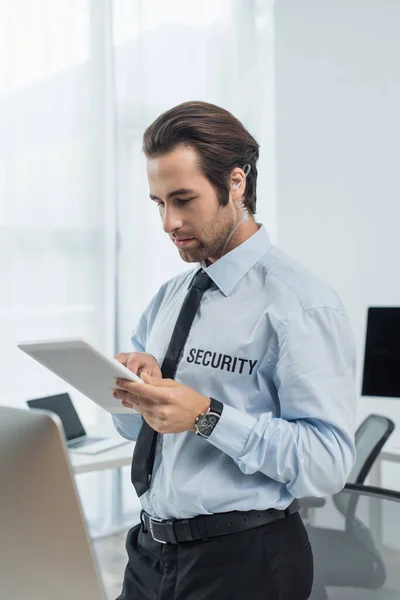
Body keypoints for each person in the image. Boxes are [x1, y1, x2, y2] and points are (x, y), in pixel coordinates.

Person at [111, 101, 357, 600]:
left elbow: (328, 463)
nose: (168, 222)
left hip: (245, 561)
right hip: (150, 553)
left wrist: (206, 415)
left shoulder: (301, 305)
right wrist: (134, 392)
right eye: (158, 203)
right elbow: (133, 429)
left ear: (237, 183)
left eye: (183, 199)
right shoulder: (170, 296)